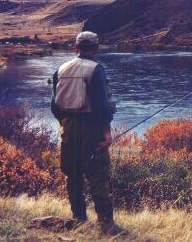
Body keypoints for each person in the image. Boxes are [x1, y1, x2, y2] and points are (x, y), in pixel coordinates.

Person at [51, 31, 123, 234]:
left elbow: (54, 105)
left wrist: (64, 124)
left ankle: (79, 218)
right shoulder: (96, 70)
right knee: (99, 176)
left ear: (76, 47)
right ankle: (106, 225)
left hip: (68, 128)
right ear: (96, 48)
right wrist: (106, 132)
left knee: (72, 175)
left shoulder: (61, 69)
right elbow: (102, 106)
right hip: (92, 128)